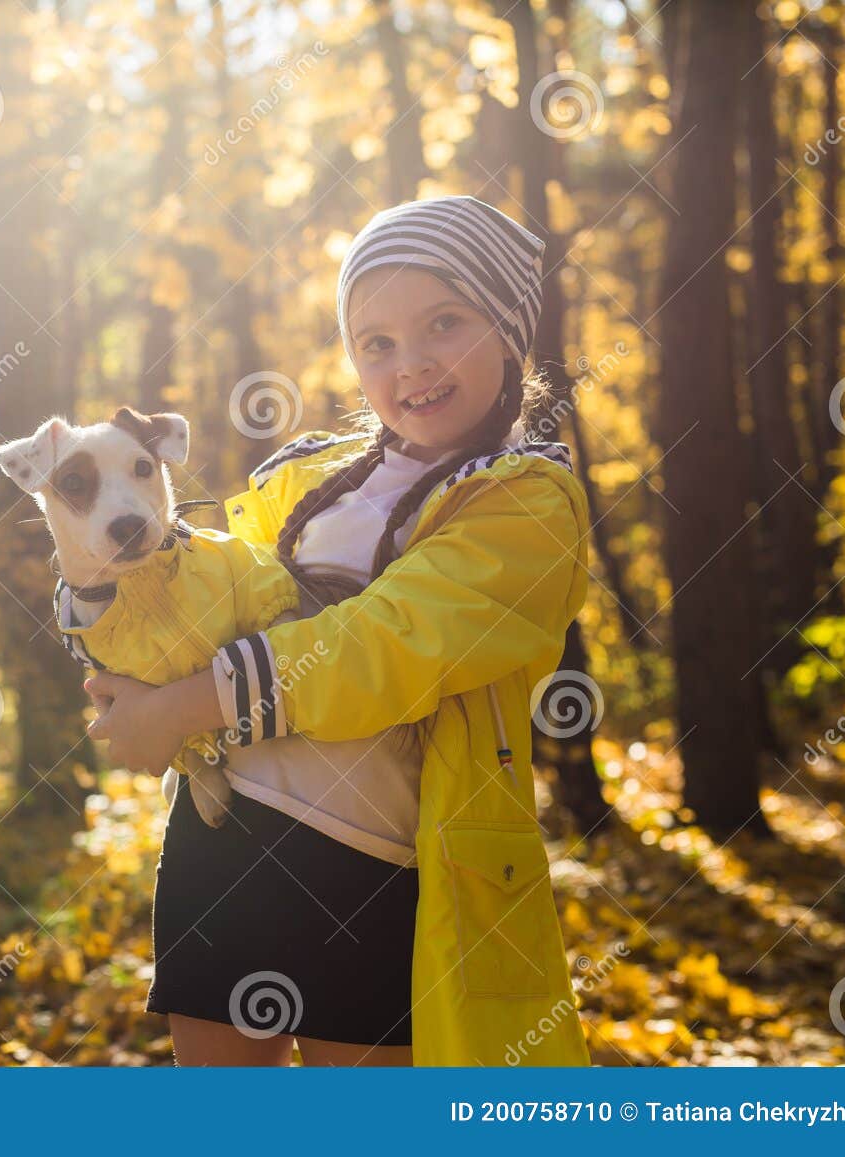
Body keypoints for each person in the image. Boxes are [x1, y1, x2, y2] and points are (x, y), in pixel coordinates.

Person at [86, 195, 592, 1067]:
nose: (413, 364)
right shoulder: (303, 481)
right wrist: (112, 626)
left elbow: (384, 645)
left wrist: (179, 707)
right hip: (223, 833)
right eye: (378, 342)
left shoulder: (527, 502)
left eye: (445, 321)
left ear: (509, 329)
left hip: (375, 865)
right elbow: (206, 598)